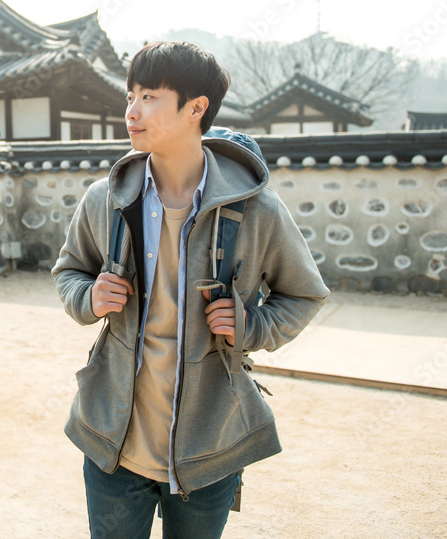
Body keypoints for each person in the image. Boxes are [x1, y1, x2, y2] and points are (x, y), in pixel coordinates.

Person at [52, 41, 330, 538]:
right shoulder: (107, 199)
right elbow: (69, 270)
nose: (131, 112)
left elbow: (304, 293)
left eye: (150, 97)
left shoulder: (257, 210)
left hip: (209, 448)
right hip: (114, 445)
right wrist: (88, 297)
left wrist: (253, 326)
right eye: (130, 95)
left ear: (196, 108)